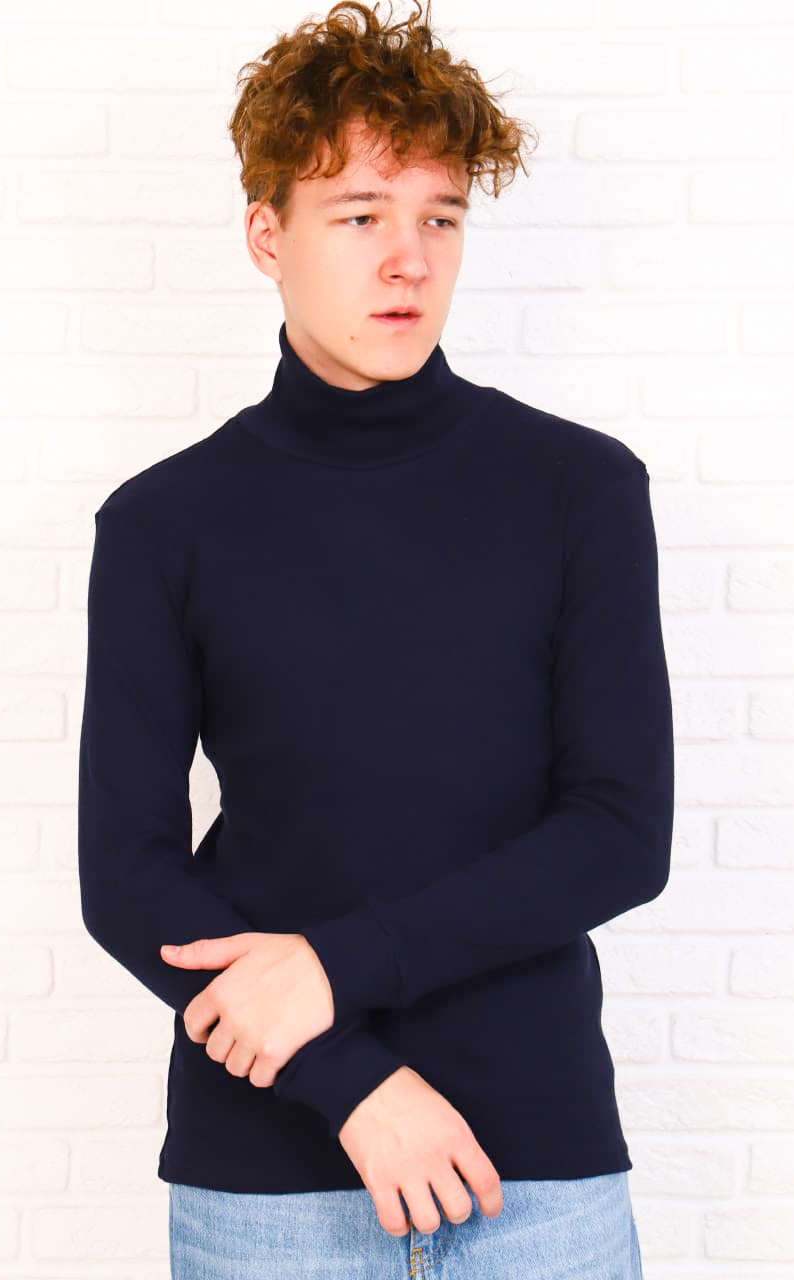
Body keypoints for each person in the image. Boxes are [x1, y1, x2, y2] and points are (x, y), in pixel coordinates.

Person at [77, 1, 673, 1275]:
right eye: (358, 216)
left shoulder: (578, 489)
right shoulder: (162, 522)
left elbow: (620, 830)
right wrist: (350, 1079)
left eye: (438, 218)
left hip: (535, 1172)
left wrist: (334, 970)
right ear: (267, 235)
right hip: (269, 1181)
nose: (407, 259)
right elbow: (127, 873)